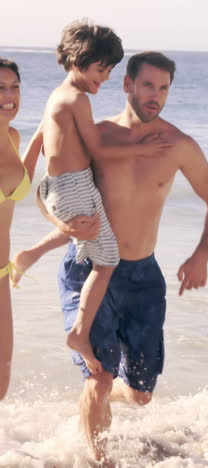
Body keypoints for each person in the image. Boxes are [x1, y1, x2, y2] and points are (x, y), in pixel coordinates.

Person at [13, 51, 208, 465]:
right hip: (88, 267)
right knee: (98, 375)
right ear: (127, 84)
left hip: (143, 277)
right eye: (148, 85)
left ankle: (101, 395)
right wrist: (57, 221)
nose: (156, 96)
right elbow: (50, 185)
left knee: (141, 395)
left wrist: (202, 253)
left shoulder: (178, 144)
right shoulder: (96, 136)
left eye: (164, 88)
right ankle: (100, 457)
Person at [37, 20, 170, 374]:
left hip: (61, 185)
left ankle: (32, 256)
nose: (106, 77)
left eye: (110, 70)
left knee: (89, 248)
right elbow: (96, 149)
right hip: (76, 185)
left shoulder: (56, 95)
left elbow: (39, 143)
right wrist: (139, 149)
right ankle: (80, 333)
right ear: (79, 61)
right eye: (101, 69)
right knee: (107, 262)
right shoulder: (77, 99)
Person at [0, 58, 41, 399]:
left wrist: (42, 136)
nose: (8, 95)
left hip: (1, 276)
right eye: (0, 87)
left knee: (1, 384)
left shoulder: (13, 136)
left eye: (14, 86)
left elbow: (18, 183)